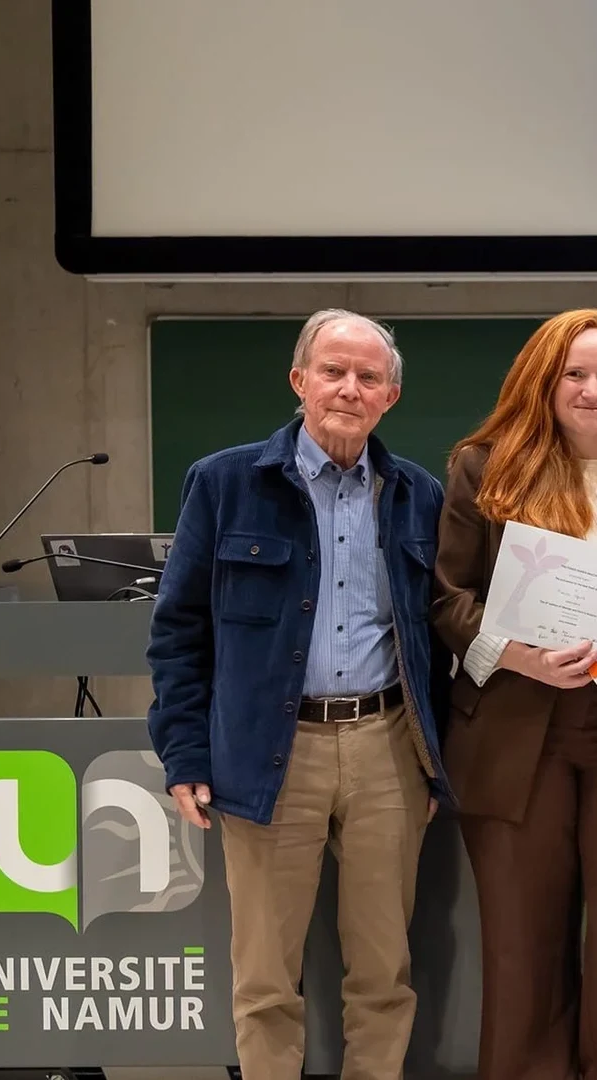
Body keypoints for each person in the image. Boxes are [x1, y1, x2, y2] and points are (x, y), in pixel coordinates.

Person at [146, 308, 452, 1080]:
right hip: (267, 753)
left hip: (387, 748)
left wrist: (432, 760)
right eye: (332, 371)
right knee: (265, 980)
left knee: (383, 973)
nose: (349, 389)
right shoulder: (224, 484)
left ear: (390, 397)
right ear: (299, 380)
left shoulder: (417, 495)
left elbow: (436, 642)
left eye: (368, 377)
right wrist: (184, 752)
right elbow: (179, 631)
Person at [429, 308, 597, 1080]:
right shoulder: (484, 467)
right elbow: (448, 599)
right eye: (575, 374)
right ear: (543, 382)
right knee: (523, 947)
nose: (592, 390)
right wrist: (521, 657)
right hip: (517, 730)